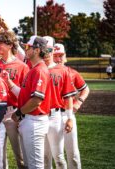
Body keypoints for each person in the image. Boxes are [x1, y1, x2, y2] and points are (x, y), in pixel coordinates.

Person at [1, 36, 51, 169]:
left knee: (35, 165)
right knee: (29, 164)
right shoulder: (34, 69)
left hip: (34, 120)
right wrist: (9, 82)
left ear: (37, 50)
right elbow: (23, 94)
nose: (25, 49)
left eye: (28, 47)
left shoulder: (39, 70)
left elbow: (36, 100)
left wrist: (18, 113)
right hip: (29, 120)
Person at [0, 31, 29, 169]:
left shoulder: (22, 66)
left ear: (9, 45)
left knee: (20, 156)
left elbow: (25, 94)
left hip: (13, 113)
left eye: (1, 43)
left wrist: (21, 115)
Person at [54, 43, 90, 169]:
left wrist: (78, 103)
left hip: (67, 114)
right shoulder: (47, 72)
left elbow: (85, 89)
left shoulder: (72, 73)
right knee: (57, 156)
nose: (58, 59)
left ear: (65, 57)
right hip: (51, 116)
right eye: (55, 56)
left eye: (60, 55)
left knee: (73, 154)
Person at [42, 36, 76, 169]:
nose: (46, 52)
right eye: (43, 49)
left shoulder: (62, 70)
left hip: (55, 117)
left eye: (49, 49)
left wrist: (69, 118)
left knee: (59, 158)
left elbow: (68, 97)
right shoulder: (35, 69)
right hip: (38, 117)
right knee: (44, 158)